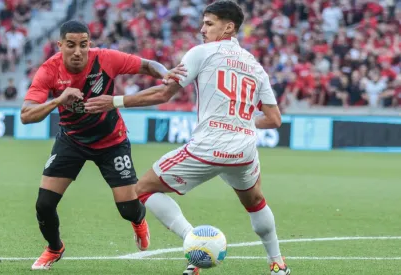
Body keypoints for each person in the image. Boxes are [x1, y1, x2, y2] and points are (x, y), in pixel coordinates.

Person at [84, 1, 291, 275]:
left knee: (141, 189)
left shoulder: (201, 53)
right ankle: (277, 262)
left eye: (209, 23)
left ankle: (197, 244)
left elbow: (162, 94)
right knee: (255, 202)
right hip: (244, 149)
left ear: (228, 27)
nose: (202, 29)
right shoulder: (255, 66)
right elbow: (274, 119)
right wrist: (241, 122)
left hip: (207, 147)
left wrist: (115, 100)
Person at [21, 20, 182, 270]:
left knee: (128, 209)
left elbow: (149, 65)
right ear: (60, 45)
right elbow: (26, 115)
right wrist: (59, 100)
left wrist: (165, 73)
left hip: (112, 142)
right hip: (71, 140)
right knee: (44, 204)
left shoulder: (106, 59)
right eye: (71, 45)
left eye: (83, 45)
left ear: (89, 44)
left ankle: (139, 222)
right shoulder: (49, 70)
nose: (77, 51)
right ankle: (55, 248)